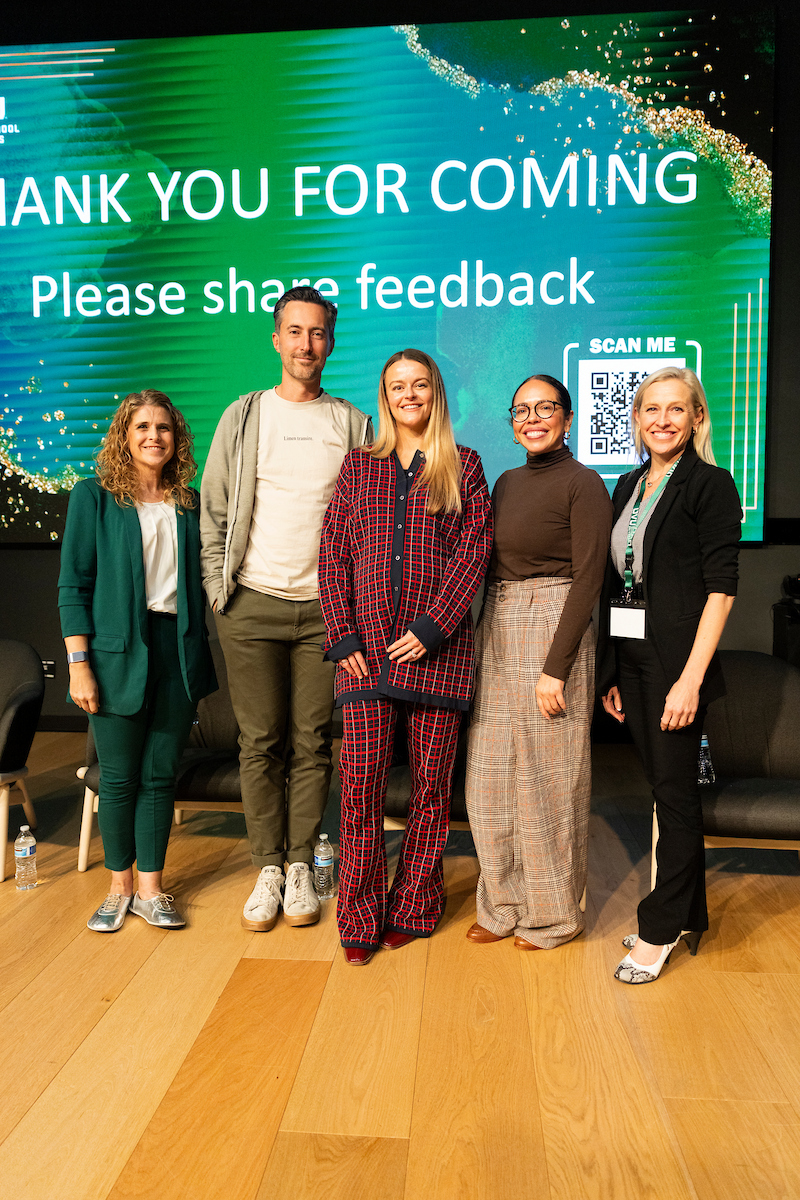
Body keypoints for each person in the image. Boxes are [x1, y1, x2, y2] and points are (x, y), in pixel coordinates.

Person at [200, 286, 373, 933]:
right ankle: (267, 866)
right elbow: (214, 509)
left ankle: (301, 864)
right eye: (295, 332)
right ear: (276, 339)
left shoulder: (352, 425)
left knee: (311, 742)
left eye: (318, 333)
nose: (306, 344)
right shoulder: (244, 416)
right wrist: (223, 591)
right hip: (251, 606)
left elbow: (372, 520)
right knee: (259, 740)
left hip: (327, 614)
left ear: (331, 340)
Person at [318, 349, 492, 964]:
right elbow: (334, 555)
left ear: (435, 393)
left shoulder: (464, 467)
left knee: (430, 791)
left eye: (420, 385)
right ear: (384, 396)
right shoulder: (358, 468)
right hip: (365, 660)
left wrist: (433, 628)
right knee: (359, 786)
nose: (408, 395)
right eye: (397, 386)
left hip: (437, 659)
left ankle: (417, 905)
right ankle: (359, 914)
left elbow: (473, 555)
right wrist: (342, 639)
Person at [597, 366, 741, 983]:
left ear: (696, 418)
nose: (662, 420)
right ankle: (685, 912)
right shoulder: (628, 484)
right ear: (635, 420)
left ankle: (658, 931)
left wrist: (690, 679)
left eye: (675, 409)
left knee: (676, 799)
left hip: (678, 666)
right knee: (664, 789)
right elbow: (619, 580)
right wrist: (611, 670)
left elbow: (722, 590)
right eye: (650, 409)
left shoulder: (710, 485)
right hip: (633, 662)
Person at [59, 390, 217, 931]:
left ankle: (152, 889)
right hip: (112, 655)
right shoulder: (94, 498)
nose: (154, 436)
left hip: (176, 649)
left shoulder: (190, 503)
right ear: (124, 437)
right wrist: (79, 664)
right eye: (142, 426)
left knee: (159, 775)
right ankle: (118, 887)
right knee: (121, 778)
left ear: (177, 439)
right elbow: (73, 587)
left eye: (164, 428)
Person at [464, 375, 612, 949]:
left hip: (555, 625)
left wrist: (556, 667)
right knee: (490, 778)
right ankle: (501, 905)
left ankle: (552, 916)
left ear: (568, 418)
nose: (533, 418)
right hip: (497, 626)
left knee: (549, 782)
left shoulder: (585, 483)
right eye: (521, 410)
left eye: (545, 407)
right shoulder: (503, 482)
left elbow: (589, 579)